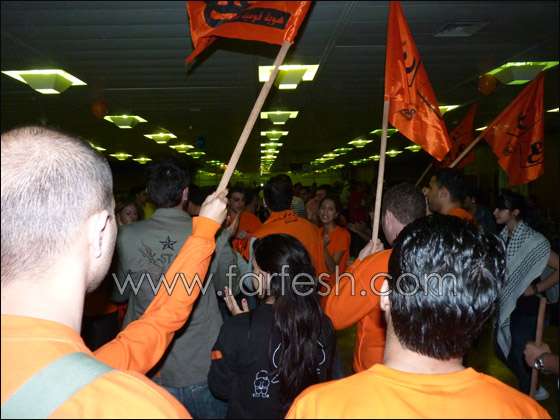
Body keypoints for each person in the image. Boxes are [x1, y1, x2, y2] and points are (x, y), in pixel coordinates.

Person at [1, 125, 228, 418]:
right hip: (199, 362)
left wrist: (205, 231)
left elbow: (157, 318)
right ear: (99, 231)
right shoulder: (140, 407)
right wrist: (206, 231)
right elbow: (218, 290)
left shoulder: (87, 369)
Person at [286, 215, 550, 419]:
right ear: (483, 309)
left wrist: (358, 267)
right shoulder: (526, 412)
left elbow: (331, 313)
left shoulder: (317, 408)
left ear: (385, 295)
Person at [113, 155, 227, 418]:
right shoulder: (212, 232)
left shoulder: (126, 236)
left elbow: (118, 294)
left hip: (150, 363)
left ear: (149, 192)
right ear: (185, 192)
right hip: (201, 362)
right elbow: (225, 286)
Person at [208, 234, 337, 419]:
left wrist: (244, 328)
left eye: (253, 269)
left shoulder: (237, 329)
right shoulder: (323, 325)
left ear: (266, 277)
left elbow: (220, 387)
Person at [325, 183, 426, 372]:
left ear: (388, 217)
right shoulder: (438, 258)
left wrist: (359, 264)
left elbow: (333, 315)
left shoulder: (382, 263)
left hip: (378, 372)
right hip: (425, 370)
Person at [493, 189, 559, 399]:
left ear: (515, 212)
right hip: (509, 305)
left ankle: (529, 394)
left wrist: (536, 289)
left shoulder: (533, 240)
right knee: (499, 349)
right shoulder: (502, 238)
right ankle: (533, 387)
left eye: (501, 208)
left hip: (530, 310)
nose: (495, 212)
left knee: (521, 354)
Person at [243, 175, 328, 278]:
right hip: (310, 286)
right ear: (292, 202)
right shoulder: (312, 229)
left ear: (264, 202)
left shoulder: (258, 236)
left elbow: (252, 279)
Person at [318, 193, 351, 308]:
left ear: (336, 213)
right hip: (317, 290)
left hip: (333, 291)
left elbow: (333, 268)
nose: (325, 212)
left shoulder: (342, 235)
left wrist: (323, 248)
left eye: (330, 209)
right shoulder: (316, 232)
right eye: (323, 208)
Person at [228, 186, 262, 255]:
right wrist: (233, 235)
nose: (240, 203)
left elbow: (262, 239)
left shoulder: (252, 219)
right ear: (228, 201)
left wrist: (250, 236)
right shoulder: (222, 219)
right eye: (236, 200)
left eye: (242, 200)